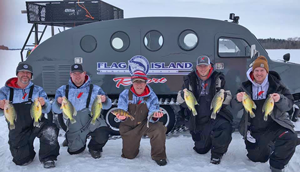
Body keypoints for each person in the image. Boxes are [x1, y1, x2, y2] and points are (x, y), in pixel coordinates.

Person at [231, 56, 298, 172]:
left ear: (267, 71)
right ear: (252, 72)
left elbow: (289, 105)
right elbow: (234, 107)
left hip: (275, 125)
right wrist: (237, 99)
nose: (259, 73)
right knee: (257, 158)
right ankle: (268, 146)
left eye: (262, 70)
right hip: (255, 128)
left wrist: (280, 99)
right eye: (256, 70)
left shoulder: (277, 85)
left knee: (290, 138)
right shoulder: (245, 87)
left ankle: (276, 165)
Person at [0, 62, 59, 168]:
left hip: (37, 123)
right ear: (17, 74)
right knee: (21, 160)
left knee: (50, 129)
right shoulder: (5, 91)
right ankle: (27, 154)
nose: (25, 75)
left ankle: (48, 157)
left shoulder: (38, 90)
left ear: (31, 76)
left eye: (28, 73)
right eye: (22, 72)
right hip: (18, 127)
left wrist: (44, 104)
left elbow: (48, 108)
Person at [177, 55, 233, 164]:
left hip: (216, 115)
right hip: (198, 117)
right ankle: (208, 138)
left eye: (205, 66)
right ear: (196, 67)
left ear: (209, 66)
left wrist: (224, 98)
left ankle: (217, 153)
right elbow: (180, 99)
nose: (203, 68)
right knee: (201, 149)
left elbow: (228, 98)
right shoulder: (189, 79)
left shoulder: (218, 78)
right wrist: (184, 99)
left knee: (225, 127)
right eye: (200, 66)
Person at [52, 64, 112, 159]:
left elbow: (108, 105)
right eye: (74, 73)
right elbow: (55, 110)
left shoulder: (96, 89)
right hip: (74, 123)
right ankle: (71, 139)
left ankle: (94, 148)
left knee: (103, 133)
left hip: (92, 120)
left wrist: (105, 100)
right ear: (70, 75)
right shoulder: (62, 90)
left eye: (79, 73)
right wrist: (58, 102)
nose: (77, 76)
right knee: (75, 151)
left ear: (84, 74)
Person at [115, 70, 167, 166]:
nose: (139, 85)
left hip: (145, 124)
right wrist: (122, 117)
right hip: (129, 126)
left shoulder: (152, 95)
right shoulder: (125, 94)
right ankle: (134, 147)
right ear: (132, 83)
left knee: (159, 129)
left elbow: (153, 110)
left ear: (145, 83)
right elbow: (121, 109)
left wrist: (155, 116)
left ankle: (159, 156)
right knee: (129, 155)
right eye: (136, 82)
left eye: (141, 82)